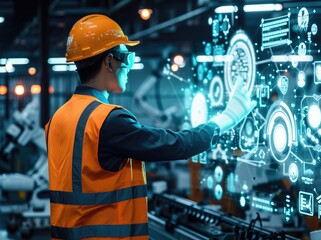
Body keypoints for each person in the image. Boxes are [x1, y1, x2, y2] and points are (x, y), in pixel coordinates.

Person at [45, 14, 256, 240]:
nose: (129, 64)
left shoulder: (57, 119)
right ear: (109, 62)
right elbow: (177, 145)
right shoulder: (107, 120)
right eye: (126, 56)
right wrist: (228, 117)